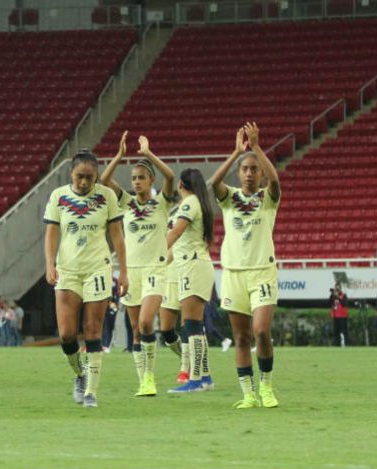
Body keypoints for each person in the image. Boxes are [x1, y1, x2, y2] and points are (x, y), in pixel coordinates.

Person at [43, 149, 128, 409]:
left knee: (93, 330)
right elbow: (51, 234)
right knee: (67, 334)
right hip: (68, 270)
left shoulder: (107, 197)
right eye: (80, 176)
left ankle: (91, 391)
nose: (84, 182)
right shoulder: (58, 197)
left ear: (96, 177)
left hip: (98, 270)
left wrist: (123, 271)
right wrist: (49, 264)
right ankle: (80, 375)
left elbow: (117, 236)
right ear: (71, 173)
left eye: (89, 178)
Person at [209, 122, 281, 409]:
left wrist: (257, 147)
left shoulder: (267, 199)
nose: (250, 173)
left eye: (254, 169)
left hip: (262, 272)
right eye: (245, 169)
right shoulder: (231, 199)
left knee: (261, 331)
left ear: (261, 173)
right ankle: (248, 394)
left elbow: (276, 183)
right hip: (233, 274)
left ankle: (266, 386)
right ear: (239, 174)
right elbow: (213, 184)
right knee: (241, 337)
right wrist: (236, 151)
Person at [100, 132, 176, 397]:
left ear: (150, 180)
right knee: (135, 330)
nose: (137, 182)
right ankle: (144, 381)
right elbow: (104, 180)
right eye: (133, 178)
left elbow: (170, 177)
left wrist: (148, 154)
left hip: (155, 270)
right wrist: (119, 156)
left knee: (145, 323)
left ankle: (151, 376)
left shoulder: (161, 204)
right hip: (131, 272)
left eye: (142, 177)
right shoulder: (127, 203)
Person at [165, 168, 217, 394]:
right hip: (195, 265)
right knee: (196, 324)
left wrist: (156, 252)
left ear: (180, 185)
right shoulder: (200, 203)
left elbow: (176, 232)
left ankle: (195, 380)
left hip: (193, 266)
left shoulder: (189, 204)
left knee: (191, 324)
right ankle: (205, 376)